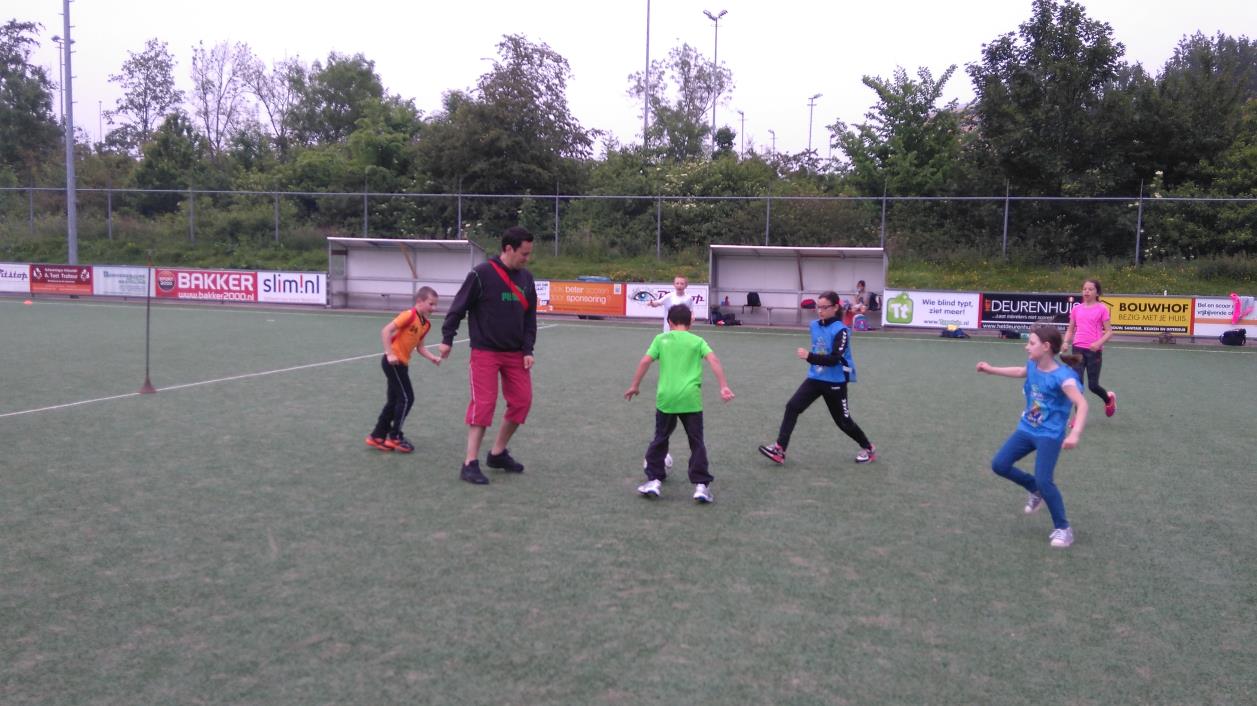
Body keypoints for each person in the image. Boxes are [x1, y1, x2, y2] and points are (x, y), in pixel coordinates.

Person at [439, 226, 538, 485]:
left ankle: (497, 453)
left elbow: (530, 319)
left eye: (529, 254)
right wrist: (447, 337)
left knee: (522, 402)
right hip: (485, 352)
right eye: (524, 254)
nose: (527, 259)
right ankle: (469, 463)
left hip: (515, 354)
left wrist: (528, 350)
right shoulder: (481, 274)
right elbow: (458, 307)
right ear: (508, 249)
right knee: (484, 405)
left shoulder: (527, 279)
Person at [976, 323, 1088, 549]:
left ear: (1046, 347)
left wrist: (1075, 433)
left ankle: (1064, 529)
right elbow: (1020, 371)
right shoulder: (1033, 364)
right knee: (999, 464)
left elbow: (1082, 403)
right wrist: (991, 369)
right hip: (1027, 428)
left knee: (1046, 480)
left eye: (1032, 343)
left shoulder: (1063, 377)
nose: (1027, 347)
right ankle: (1034, 489)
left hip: (1050, 434)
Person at [625, 304, 735, 503]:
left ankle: (654, 480)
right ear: (691, 321)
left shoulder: (661, 339)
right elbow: (714, 360)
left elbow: (644, 361)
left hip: (666, 398)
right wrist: (723, 386)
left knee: (660, 438)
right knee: (696, 442)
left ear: (669, 322)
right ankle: (701, 486)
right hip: (691, 399)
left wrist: (634, 385)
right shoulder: (698, 341)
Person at [758, 290, 877, 467]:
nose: (820, 311)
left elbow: (834, 358)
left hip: (835, 381)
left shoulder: (842, 331)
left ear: (835, 307)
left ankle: (868, 448)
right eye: (818, 307)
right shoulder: (814, 325)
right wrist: (812, 360)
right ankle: (779, 449)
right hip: (815, 378)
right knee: (792, 407)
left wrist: (809, 357)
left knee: (843, 422)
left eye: (824, 307)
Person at [366, 287, 442, 453]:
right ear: (419, 301)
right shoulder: (409, 315)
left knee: (394, 401)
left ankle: (377, 436)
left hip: (402, 365)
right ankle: (395, 437)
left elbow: (420, 347)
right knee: (407, 398)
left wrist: (432, 357)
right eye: (431, 304)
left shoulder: (426, 325)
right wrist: (389, 353)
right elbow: (386, 331)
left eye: (435, 305)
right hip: (393, 363)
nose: (434, 308)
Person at [1062, 278, 1117, 417]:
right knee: (1077, 384)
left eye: (1090, 289)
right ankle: (1077, 417)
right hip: (1077, 349)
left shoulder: (1102, 309)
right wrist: (1066, 342)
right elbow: (1070, 329)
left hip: (1094, 352)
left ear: (1097, 292)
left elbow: (1109, 332)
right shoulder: (1076, 309)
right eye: (1085, 289)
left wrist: (1098, 343)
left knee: (1093, 386)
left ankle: (1108, 399)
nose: (1086, 291)